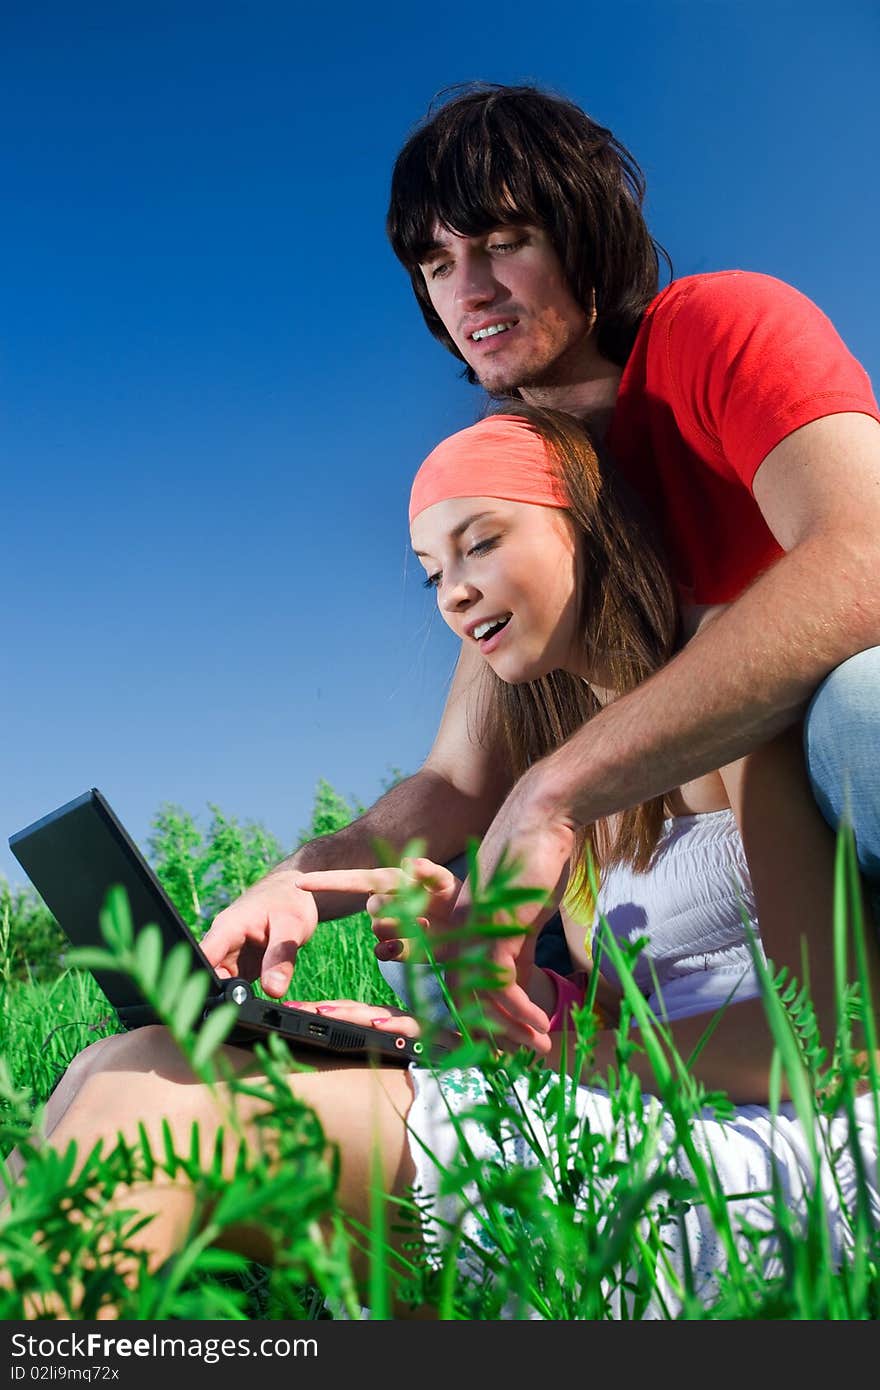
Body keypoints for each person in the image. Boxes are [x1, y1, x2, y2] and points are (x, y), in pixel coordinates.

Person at [27, 410, 880, 1316]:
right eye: (434, 572)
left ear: (589, 527)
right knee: (122, 1060)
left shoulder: (738, 713)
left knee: (158, 1111)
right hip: (635, 1120)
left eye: (481, 545)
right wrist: (445, 1014)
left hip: (784, 1159)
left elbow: (833, 1040)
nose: (454, 595)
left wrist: (571, 1061)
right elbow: (582, 1028)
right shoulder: (568, 772)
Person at [198, 84, 880, 1038]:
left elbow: (868, 557)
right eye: (437, 264)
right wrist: (301, 878)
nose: (468, 290)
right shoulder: (521, 475)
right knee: (442, 966)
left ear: (584, 231)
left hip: (808, 819)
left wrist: (555, 791)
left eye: (503, 242)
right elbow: (458, 780)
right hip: (643, 899)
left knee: (865, 711)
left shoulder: (718, 331)